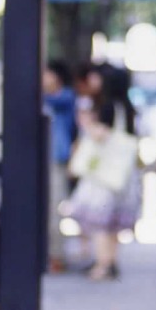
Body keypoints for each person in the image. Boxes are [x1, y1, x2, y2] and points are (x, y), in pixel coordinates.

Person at [66, 64, 139, 281]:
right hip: (121, 176)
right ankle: (111, 261)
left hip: (103, 177)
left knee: (101, 224)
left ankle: (103, 264)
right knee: (113, 224)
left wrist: (86, 123)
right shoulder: (128, 108)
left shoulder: (108, 107)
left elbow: (101, 135)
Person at [43, 60, 76, 273]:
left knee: (54, 209)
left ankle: (56, 255)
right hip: (45, 157)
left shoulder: (65, 99)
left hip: (56, 158)